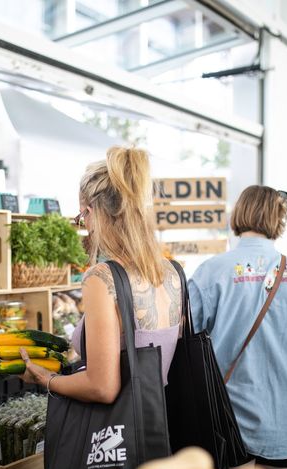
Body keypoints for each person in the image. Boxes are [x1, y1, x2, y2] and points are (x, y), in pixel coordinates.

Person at [188, 185, 287, 469]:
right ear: (278, 219)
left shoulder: (211, 270)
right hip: (285, 415)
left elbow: (187, 334)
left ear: (238, 214)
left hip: (229, 416)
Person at [18, 146, 182, 403]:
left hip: (122, 433)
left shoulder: (103, 278)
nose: (86, 229)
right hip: (164, 422)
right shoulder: (173, 271)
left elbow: (102, 388)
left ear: (91, 213)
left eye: (82, 218)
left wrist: (47, 379)